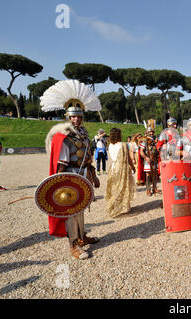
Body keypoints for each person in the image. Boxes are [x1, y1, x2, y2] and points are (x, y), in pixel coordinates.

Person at [41, 79, 101, 260]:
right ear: (68, 117)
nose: (77, 119)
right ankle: (73, 244)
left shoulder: (83, 134)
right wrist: (58, 184)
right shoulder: (64, 136)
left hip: (83, 176)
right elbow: (61, 162)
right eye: (73, 116)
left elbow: (88, 158)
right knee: (71, 212)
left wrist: (94, 175)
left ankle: (82, 237)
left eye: (79, 116)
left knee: (81, 209)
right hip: (70, 178)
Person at [105, 128, 136, 218]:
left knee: (115, 187)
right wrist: (133, 167)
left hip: (113, 167)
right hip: (122, 168)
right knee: (124, 187)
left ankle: (115, 205)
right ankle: (125, 207)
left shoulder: (110, 145)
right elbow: (128, 158)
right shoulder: (123, 145)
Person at [140, 127, 161, 196]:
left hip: (154, 159)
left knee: (154, 174)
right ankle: (148, 189)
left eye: (152, 132)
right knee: (148, 174)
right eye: (150, 132)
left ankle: (154, 188)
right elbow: (141, 151)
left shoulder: (155, 140)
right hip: (148, 160)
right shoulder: (144, 141)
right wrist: (146, 158)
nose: (151, 133)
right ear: (147, 132)